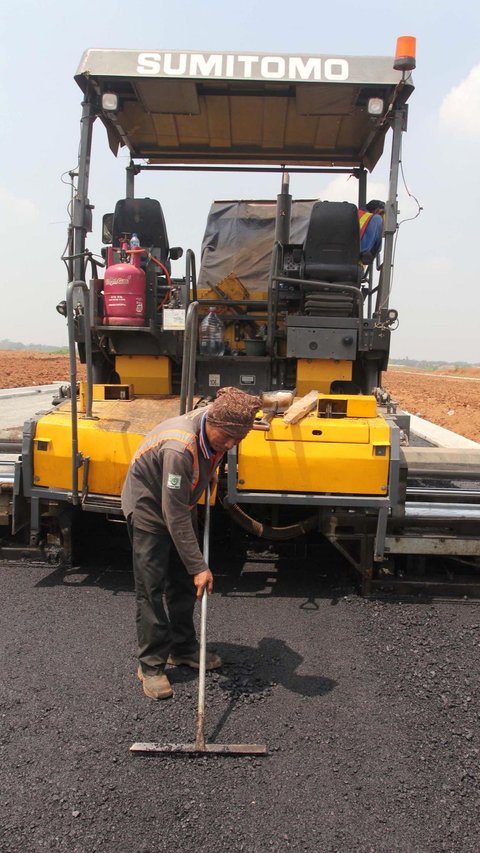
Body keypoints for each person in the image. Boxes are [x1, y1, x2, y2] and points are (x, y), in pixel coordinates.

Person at [121, 387, 261, 700]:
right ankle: (151, 665)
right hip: (149, 507)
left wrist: (210, 469)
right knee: (151, 588)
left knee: (184, 582)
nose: (231, 445)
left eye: (237, 440)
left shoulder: (213, 425)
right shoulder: (179, 448)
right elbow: (172, 514)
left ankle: (182, 648)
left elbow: (211, 454)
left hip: (179, 504)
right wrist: (200, 566)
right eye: (227, 439)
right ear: (212, 423)